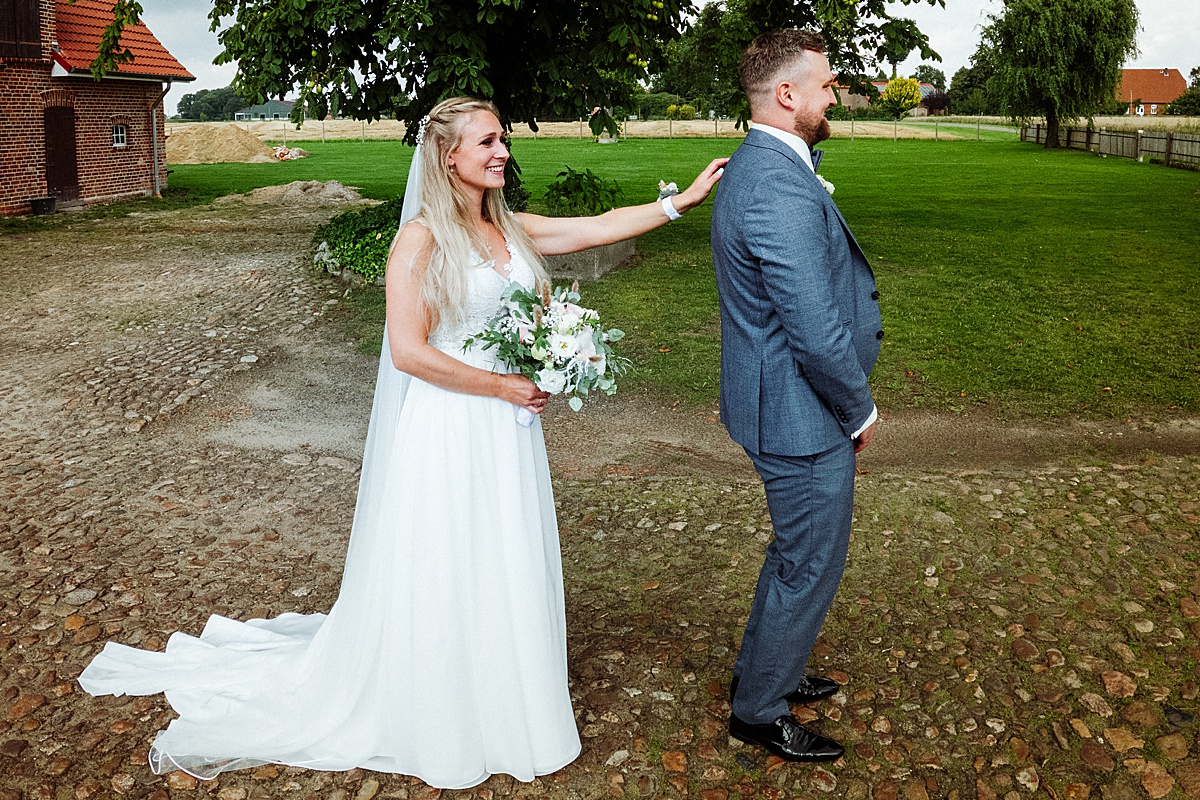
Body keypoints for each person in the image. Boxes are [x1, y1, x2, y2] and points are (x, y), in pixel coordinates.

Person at [78, 96, 726, 789]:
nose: (502, 151)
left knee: (500, 550)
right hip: (449, 425)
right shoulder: (419, 240)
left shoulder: (510, 229)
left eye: (502, 139)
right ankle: (440, 703)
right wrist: (502, 385)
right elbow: (409, 353)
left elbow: (596, 227)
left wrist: (681, 202)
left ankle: (501, 688)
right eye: (486, 142)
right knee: (446, 557)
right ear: (449, 158)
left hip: (507, 433)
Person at [710, 30, 883, 762]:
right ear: (787, 96)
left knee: (795, 553)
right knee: (809, 561)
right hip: (798, 412)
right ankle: (757, 709)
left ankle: (766, 670)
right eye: (826, 83)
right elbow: (812, 331)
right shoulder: (774, 184)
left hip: (779, 401)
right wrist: (860, 408)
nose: (833, 93)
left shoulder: (768, 165)